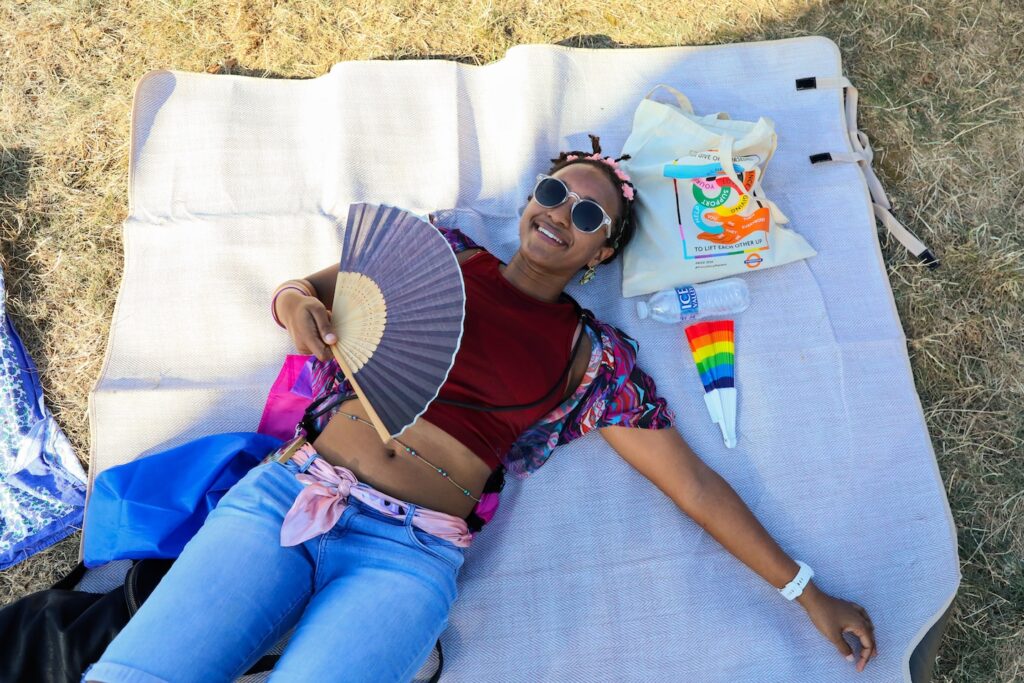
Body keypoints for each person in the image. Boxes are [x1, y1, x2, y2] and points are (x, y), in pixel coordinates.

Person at [84, 135, 876, 683]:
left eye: (589, 215)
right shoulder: (440, 252)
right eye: (555, 191)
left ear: (601, 254)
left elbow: (694, 488)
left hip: (407, 554)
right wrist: (301, 314)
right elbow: (306, 291)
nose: (561, 213)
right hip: (292, 493)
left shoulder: (591, 359)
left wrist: (806, 591)